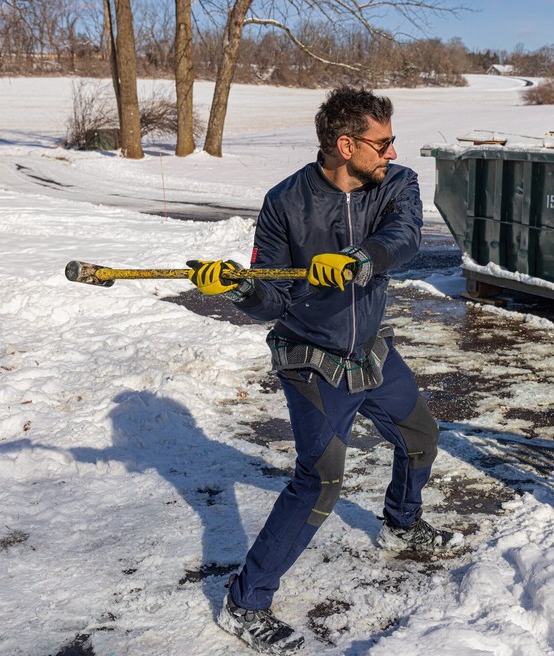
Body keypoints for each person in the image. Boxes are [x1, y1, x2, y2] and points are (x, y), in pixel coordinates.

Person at [189, 86, 463, 655]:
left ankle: (401, 524)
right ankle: (246, 602)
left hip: (371, 349)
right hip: (311, 360)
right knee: (321, 481)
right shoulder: (285, 202)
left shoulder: (396, 182)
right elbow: (272, 301)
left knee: (420, 440)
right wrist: (242, 288)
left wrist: (361, 259)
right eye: (382, 142)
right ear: (346, 144)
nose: (392, 151)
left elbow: (404, 236)